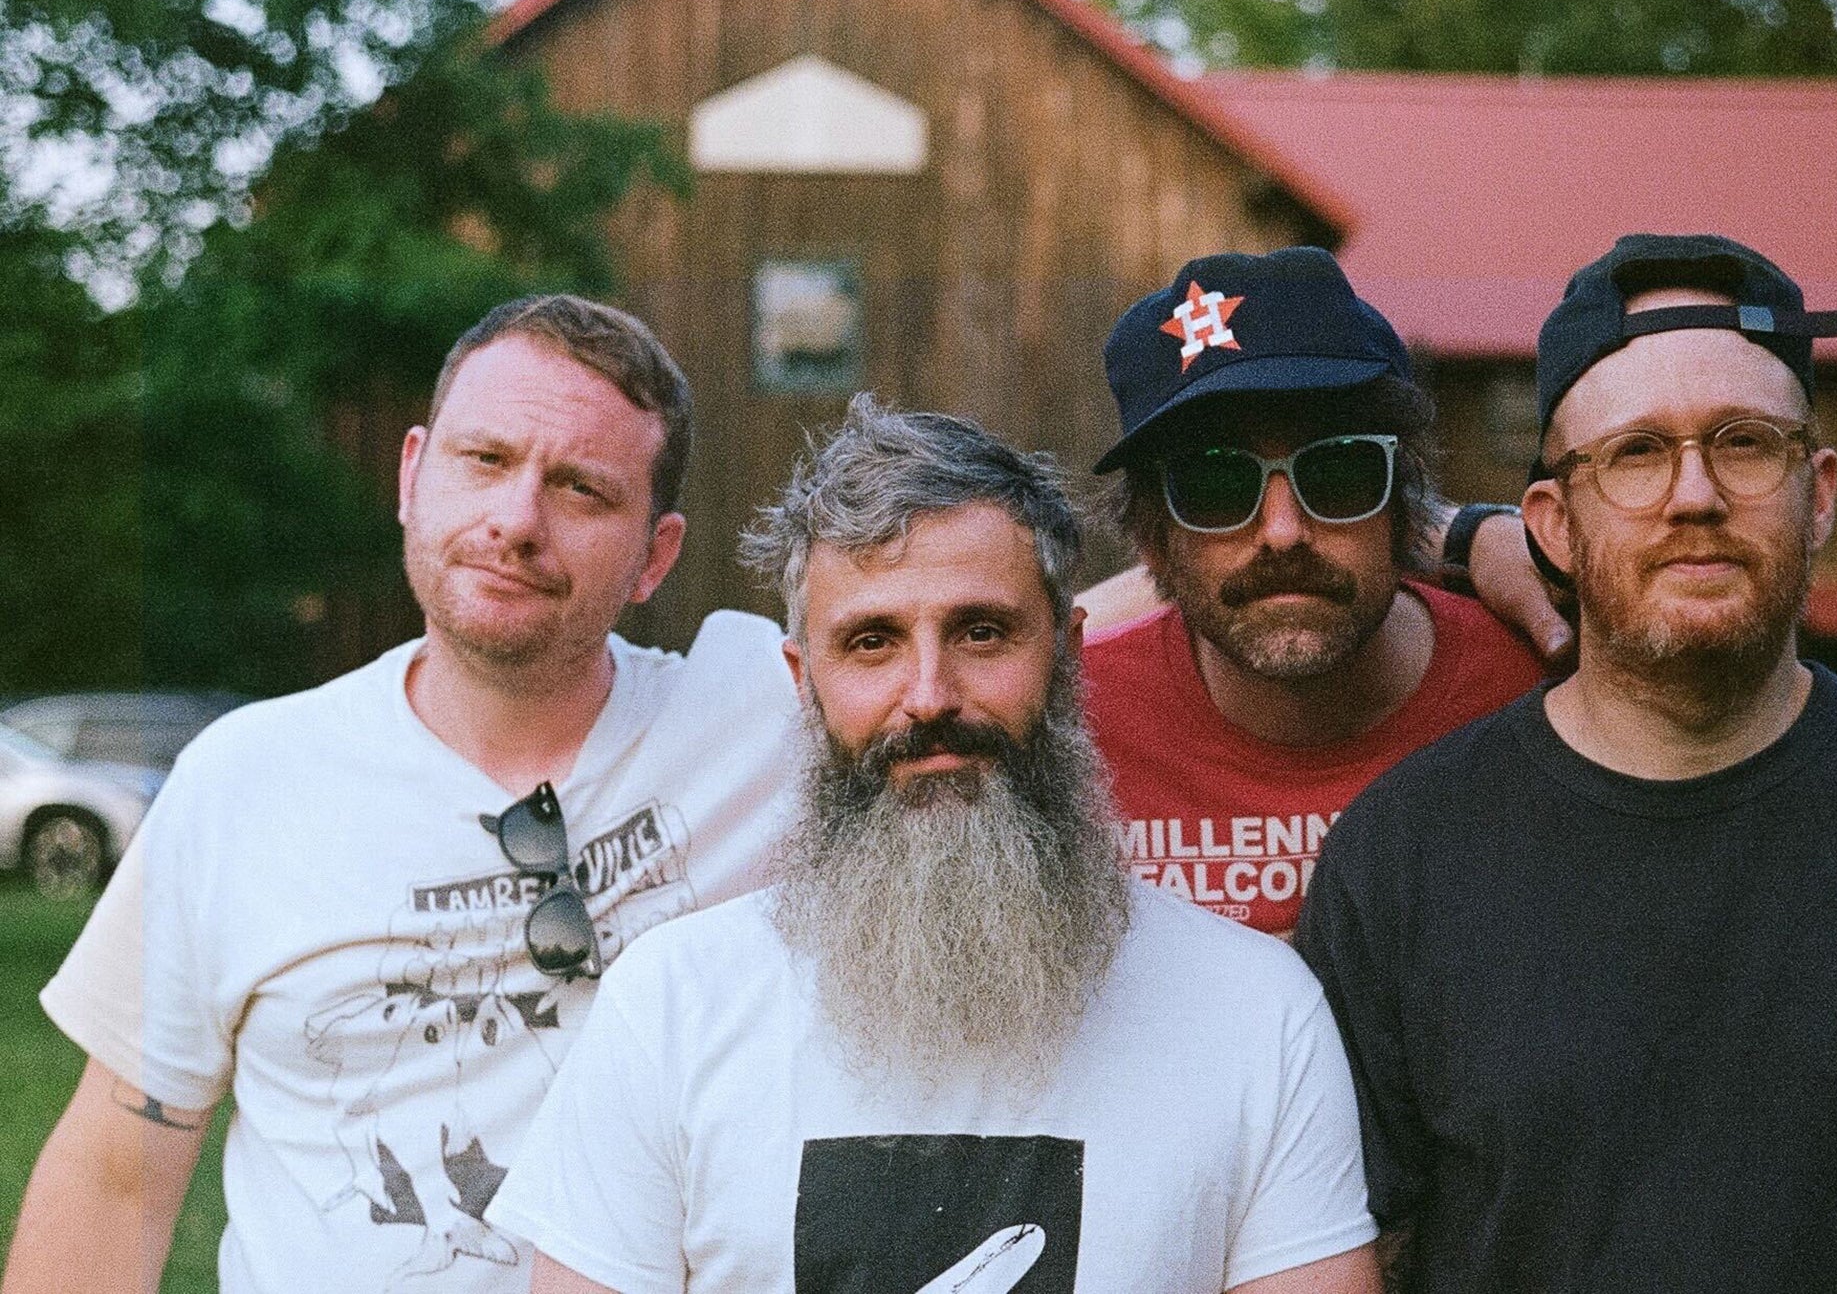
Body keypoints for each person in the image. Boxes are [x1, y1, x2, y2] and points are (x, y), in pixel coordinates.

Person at [1295, 233, 1837, 1292]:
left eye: (1745, 443)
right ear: (1553, 527)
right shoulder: (1401, 859)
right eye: (1635, 453)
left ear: (1819, 493)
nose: (1694, 494)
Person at [486, 399, 1382, 1294]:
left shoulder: (1254, 1013)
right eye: (871, 642)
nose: (928, 695)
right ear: (804, 683)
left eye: (981, 632)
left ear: (1068, 657)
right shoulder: (670, 1009)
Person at [6, 296, 805, 1294]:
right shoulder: (243, 783)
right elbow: (116, 1180)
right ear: (411, 476)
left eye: (582, 489)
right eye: (485, 460)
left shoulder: (769, 718)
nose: (516, 520)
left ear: (655, 554)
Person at [1083, 247, 1549, 936]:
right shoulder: (1070, 726)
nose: (1282, 532)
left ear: (1406, 509)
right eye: (1215, 485)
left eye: (1339, 473)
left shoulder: (1540, 689)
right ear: (1152, 538)